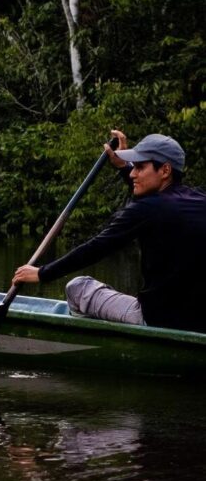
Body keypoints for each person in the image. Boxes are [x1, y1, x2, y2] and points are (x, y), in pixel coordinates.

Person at [12, 130, 206, 333]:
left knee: (78, 287)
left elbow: (97, 247)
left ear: (165, 170)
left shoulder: (149, 208)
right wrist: (123, 166)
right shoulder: (200, 200)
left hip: (156, 319)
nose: (132, 174)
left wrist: (43, 274)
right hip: (200, 324)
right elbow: (153, 206)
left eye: (139, 167)